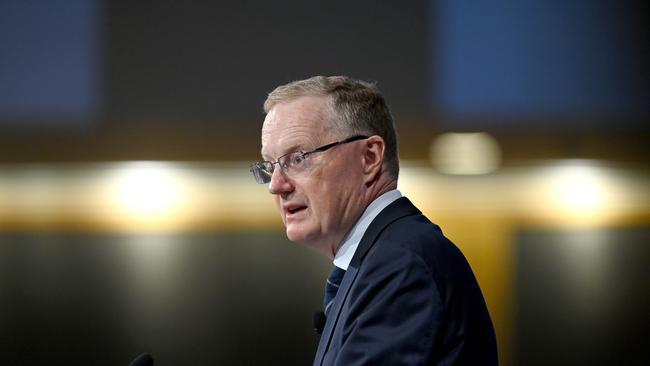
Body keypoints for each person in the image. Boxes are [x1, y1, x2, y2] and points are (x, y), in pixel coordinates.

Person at [250, 76, 498, 365]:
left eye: (298, 158)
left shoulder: (401, 264)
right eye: (270, 166)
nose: (276, 185)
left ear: (369, 157)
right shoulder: (379, 259)